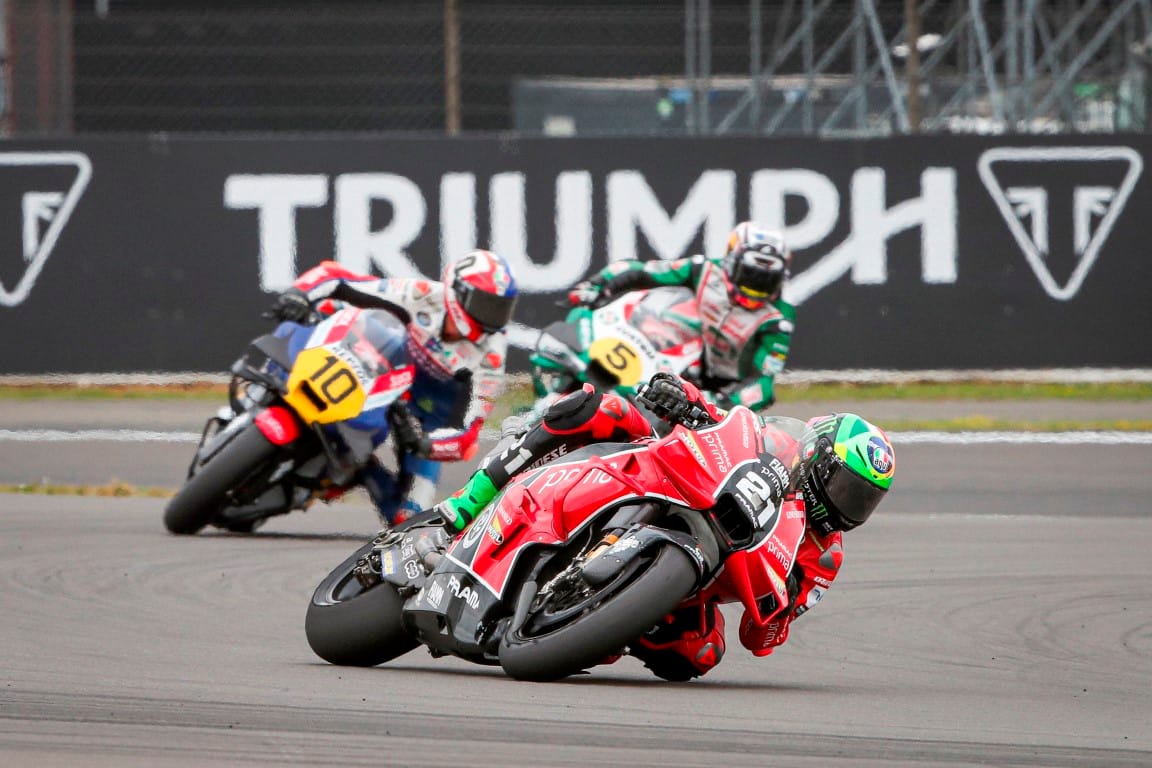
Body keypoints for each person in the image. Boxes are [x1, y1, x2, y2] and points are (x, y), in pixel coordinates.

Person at [431, 372, 895, 680]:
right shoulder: (779, 443)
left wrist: (786, 601)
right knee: (598, 407)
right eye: (847, 488)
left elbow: (761, 638)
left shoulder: (824, 556)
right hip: (663, 477)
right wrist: (682, 396)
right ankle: (471, 500)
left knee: (701, 654)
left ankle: (598, 622)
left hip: (699, 578)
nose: (848, 506)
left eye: (864, 500)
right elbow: (727, 423)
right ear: (817, 457)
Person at [267, 249, 519, 526]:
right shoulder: (422, 294)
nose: (492, 318)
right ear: (455, 293)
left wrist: (425, 444)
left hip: (428, 420)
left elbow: (468, 437)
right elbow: (337, 278)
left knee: (410, 521)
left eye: (500, 309)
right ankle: (265, 394)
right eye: (485, 305)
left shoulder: (492, 352)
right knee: (325, 312)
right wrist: (298, 293)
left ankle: (362, 471)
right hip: (385, 379)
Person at [568, 221, 795, 411]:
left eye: (766, 280)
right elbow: (642, 271)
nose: (755, 287)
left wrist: (721, 403)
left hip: (720, 390)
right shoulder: (701, 270)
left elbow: (763, 384)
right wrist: (597, 285)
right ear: (730, 261)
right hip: (678, 363)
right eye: (750, 274)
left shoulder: (778, 319)